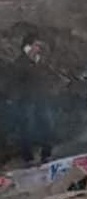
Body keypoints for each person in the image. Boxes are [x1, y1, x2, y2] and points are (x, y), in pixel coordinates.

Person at [12, 34, 54, 165]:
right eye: (36, 45)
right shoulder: (20, 63)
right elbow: (14, 83)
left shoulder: (41, 61)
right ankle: (28, 157)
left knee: (47, 125)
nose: (39, 48)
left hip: (42, 98)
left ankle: (46, 154)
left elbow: (47, 77)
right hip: (26, 100)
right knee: (27, 128)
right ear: (28, 46)